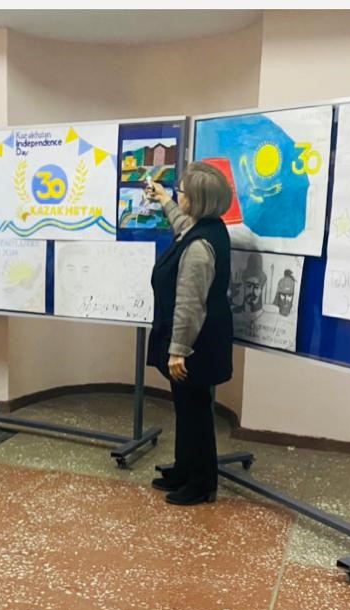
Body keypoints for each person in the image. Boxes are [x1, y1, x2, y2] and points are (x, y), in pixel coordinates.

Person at [145, 162, 234, 506]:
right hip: (201, 338)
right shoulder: (209, 227)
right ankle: (184, 469)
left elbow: (189, 304)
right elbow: (183, 225)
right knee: (186, 407)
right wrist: (164, 200)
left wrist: (178, 350)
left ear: (195, 200)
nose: (177, 194)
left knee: (195, 412)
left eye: (179, 191)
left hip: (195, 343)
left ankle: (201, 484)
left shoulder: (199, 248)